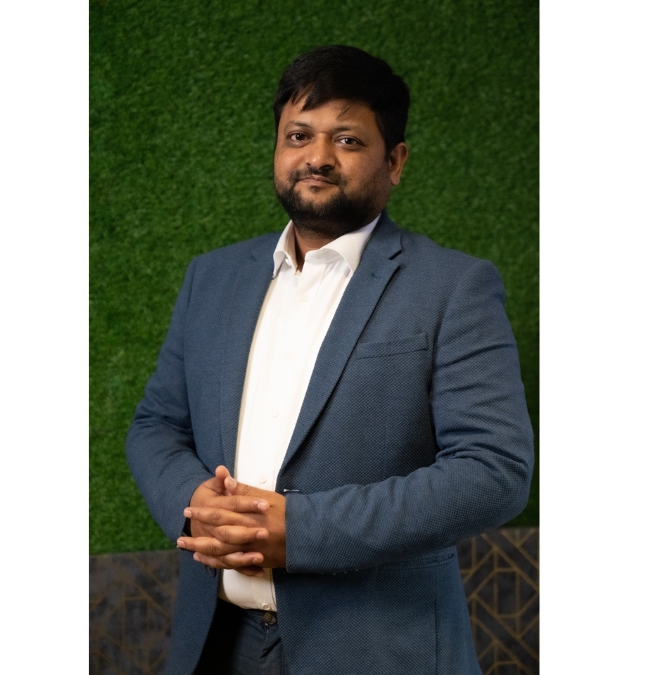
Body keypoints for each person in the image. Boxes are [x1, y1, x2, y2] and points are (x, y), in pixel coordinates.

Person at [126, 44, 535, 675]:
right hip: (215, 643)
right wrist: (194, 502)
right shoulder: (212, 278)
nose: (316, 156)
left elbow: (494, 470)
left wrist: (300, 530)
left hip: (376, 651)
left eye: (346, 139)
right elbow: (157, 424)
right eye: (298, 135)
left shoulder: (453, 288)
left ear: (394, 161)